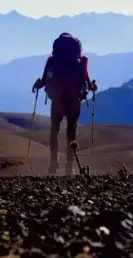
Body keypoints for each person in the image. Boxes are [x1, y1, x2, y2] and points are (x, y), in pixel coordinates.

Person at [32, 33, 97, 175]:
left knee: (54, 129)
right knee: (71, 131)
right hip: (74, 100)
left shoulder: (53, 61)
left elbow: (44, 80)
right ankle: (70, 165)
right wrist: (91, 87)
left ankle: (53, 162)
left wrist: (38, 84)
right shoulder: (80, 63)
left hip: (58, 99)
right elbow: (86, 82)